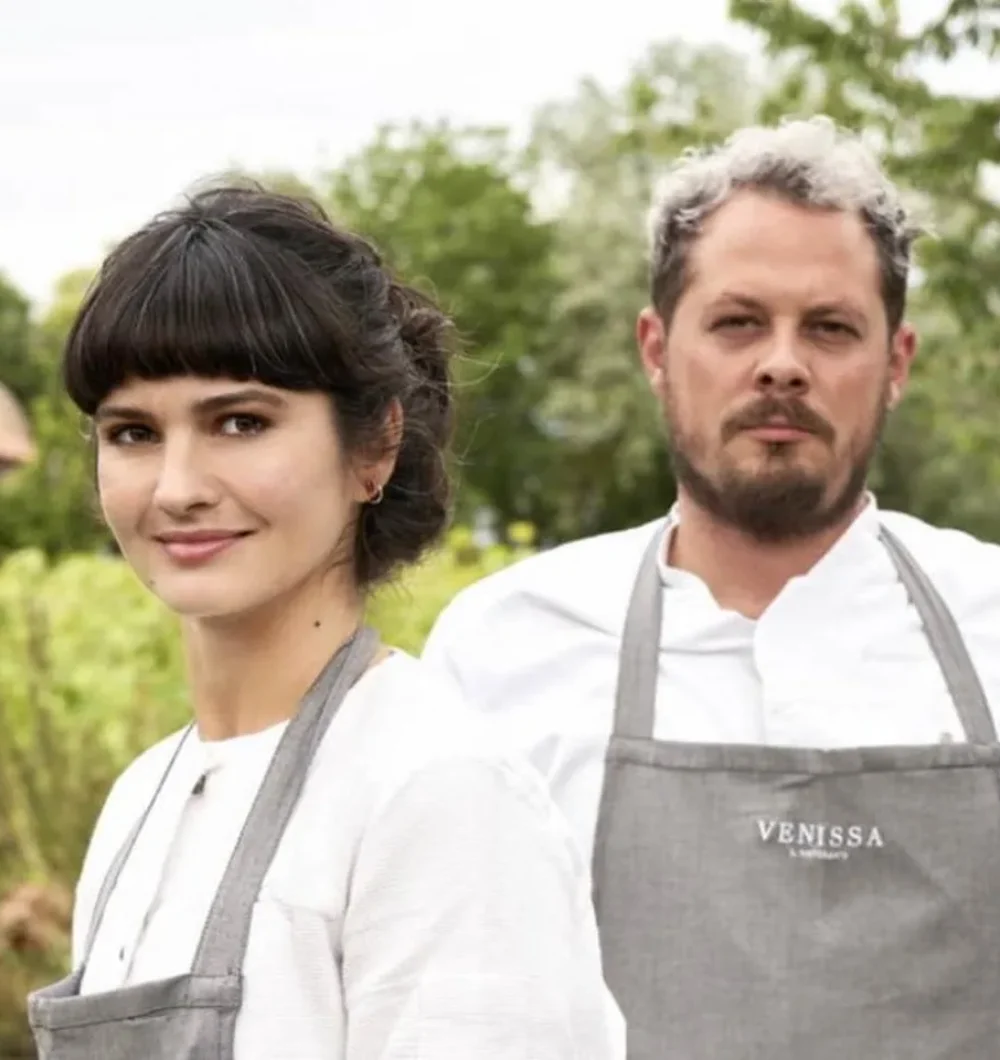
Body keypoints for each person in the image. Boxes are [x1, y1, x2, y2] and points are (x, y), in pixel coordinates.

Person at [423, 116, 1000, 1059]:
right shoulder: (505, 647)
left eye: (831, 327)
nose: (783, 362)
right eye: (738, 323)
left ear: (896, 365)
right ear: (655, 349)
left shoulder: (993, 623)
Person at [27, 184, 624, 1060]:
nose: (178, 487)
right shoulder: (141, 801)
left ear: (375, 446)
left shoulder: (436, 792)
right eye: (132, 433)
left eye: (239, 421)